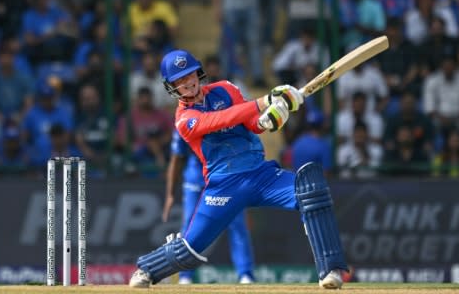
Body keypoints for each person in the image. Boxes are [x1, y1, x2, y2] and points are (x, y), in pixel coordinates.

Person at [129, 50, 347, 289]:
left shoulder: (225, 89)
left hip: (260, 175)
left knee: (311, 191)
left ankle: (331, 270)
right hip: (224, 184)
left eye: (189, 75)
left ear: (198, 73)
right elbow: (220, 120)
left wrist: (271, 117)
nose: (187, 83)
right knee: (190, 249)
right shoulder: (184, 119)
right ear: (171, 87)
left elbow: (251, 124)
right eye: (179, 80)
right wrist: (265, 101)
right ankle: (146, 269)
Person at [162, 128, 256, 284]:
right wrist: (170, 194)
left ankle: (246, 275)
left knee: (237, 224)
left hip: (226, 177)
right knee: (190, 226)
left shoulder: (223, 114)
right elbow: (176, 157)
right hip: (196, 179)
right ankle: (185, 276)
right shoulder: (184, 121)